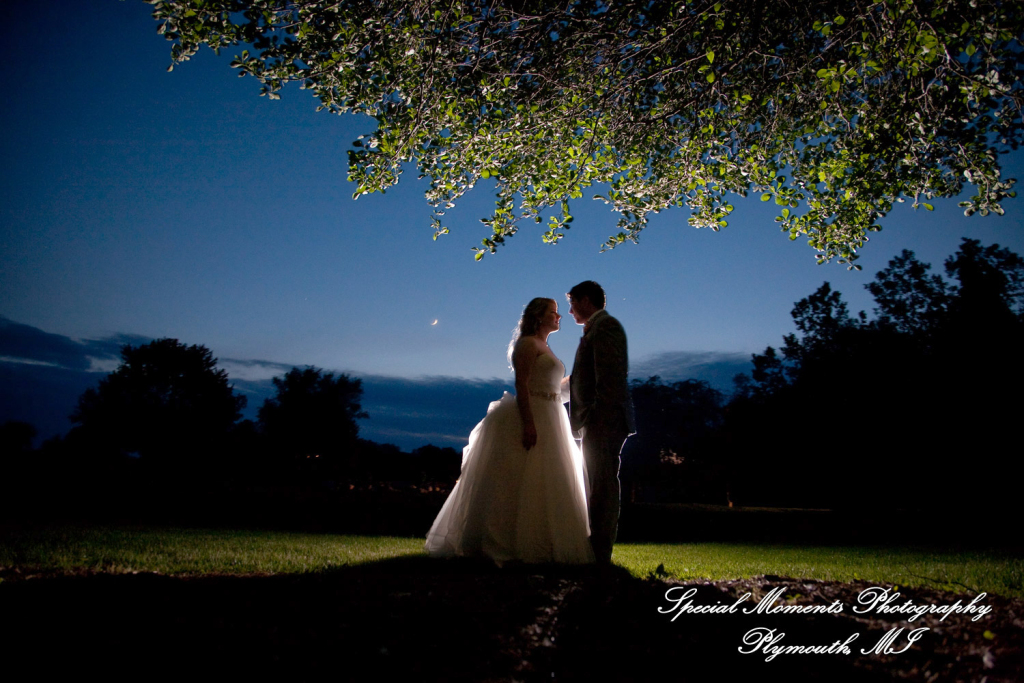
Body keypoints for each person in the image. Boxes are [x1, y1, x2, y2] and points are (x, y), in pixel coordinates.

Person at [425, 298, 594, 565]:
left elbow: (552, 388)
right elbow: (522, 385)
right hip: (534, 414)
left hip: (552, 415)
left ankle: (544, 542)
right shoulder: (527, 344)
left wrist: (578, 379)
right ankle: (506, 543)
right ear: (539, 317)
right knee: (520, 479)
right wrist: (529, 423)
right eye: (553, 312)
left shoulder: (545, 347)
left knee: (548, 479)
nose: (559, 316)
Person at [567, 281, 635, 564]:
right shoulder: (596, 329)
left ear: (585, 300)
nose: (570, 310)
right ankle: (596, 551)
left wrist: (596, 417)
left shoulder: (606, 327)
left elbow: (609, 377)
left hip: (604, 421)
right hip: (597, 421)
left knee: (602, 486)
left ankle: (600, 554)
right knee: (596, 485)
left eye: (571, 303)